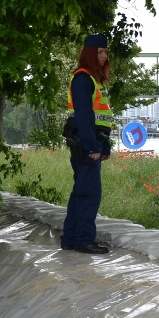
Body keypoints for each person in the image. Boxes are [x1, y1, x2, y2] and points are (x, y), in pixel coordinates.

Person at [61, 34, 114, 254]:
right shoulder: (83, 79)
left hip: (92, 141)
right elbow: (84, 116)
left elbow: (101, 116)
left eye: (105, 52)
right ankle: (83, 240)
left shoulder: (94, 79)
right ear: (90, 54)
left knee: (80, 191)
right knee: (89, 194)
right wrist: (93, 147)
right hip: (86, 143)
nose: (104, 56)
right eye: (100, 52)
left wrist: (105, 145)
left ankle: (71, 239)